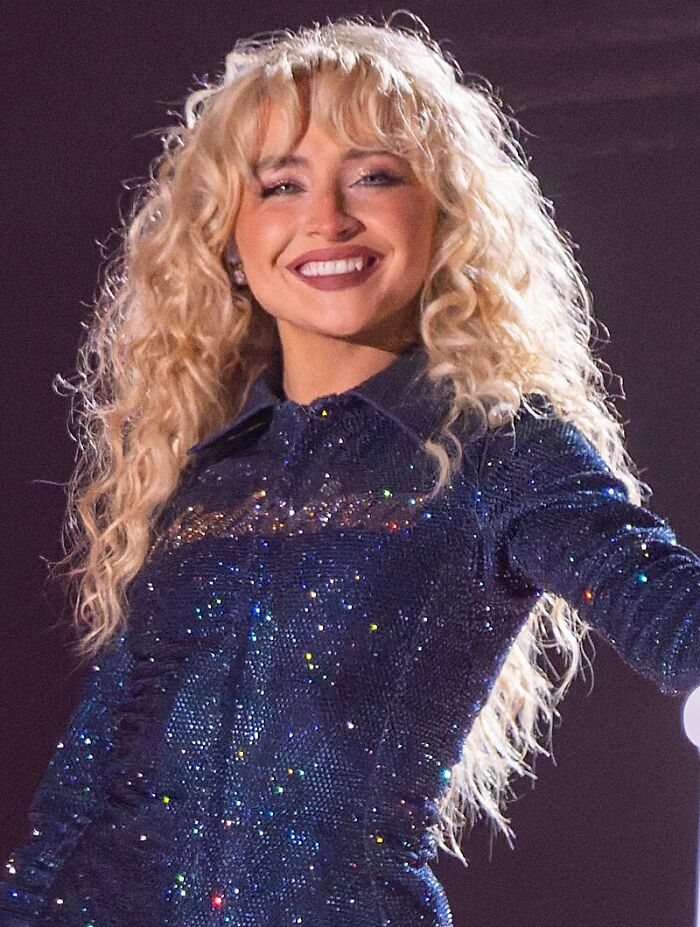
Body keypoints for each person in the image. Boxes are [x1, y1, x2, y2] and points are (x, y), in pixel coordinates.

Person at [2, 13, 698, 927]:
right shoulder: (206, 475)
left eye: (374, 175)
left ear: (443, 214)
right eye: (281, 185)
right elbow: (86, 787)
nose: (327, 217)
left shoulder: (497, 444)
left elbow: (663, 598)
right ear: (230, 242)